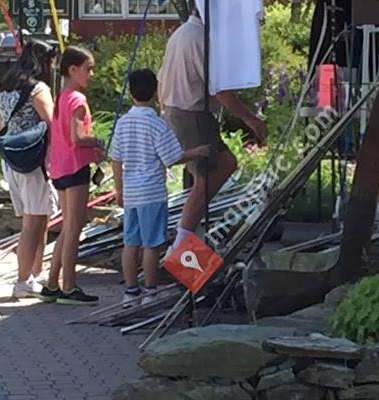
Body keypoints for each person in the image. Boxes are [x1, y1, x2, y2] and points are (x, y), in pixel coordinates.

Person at [158, 4, 267, 247]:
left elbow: (160, 77)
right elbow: (220, 90)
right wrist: (251, 119)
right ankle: (183, 237)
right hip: (192, 113)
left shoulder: (181, 33)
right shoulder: (202, 39)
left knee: (221, 165)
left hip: (180, 109)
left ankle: (188, 232)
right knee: (206, 177)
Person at [111, 69, 210, 306]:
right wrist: (197, 151)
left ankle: (130, 291)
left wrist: (119, 189)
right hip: (152, 193)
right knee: (152, 244)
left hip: (132, 192)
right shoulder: (157, 124)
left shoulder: (123, 123)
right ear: (156, 90)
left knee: (130, 242)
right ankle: (151, 291)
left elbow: (116, 159)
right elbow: (172, 157)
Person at [0, 39, 58, 298]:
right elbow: (52, 123)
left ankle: (34, 273)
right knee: (33, 223)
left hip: (12, 158)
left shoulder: (5, 86)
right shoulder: (38, 88)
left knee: (39, 218)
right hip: (34, 161)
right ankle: (22, 281)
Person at [41, 46, 104, 305]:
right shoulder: (77, 100)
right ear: (73, 70)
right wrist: (99, 140)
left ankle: (53, 283)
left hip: (60, 167)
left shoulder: (62, 96)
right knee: (74, 228)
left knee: (67, 227)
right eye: (88, 69)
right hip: (76, 168)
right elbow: (79, 137)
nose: (91, 74)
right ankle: (69, 286)